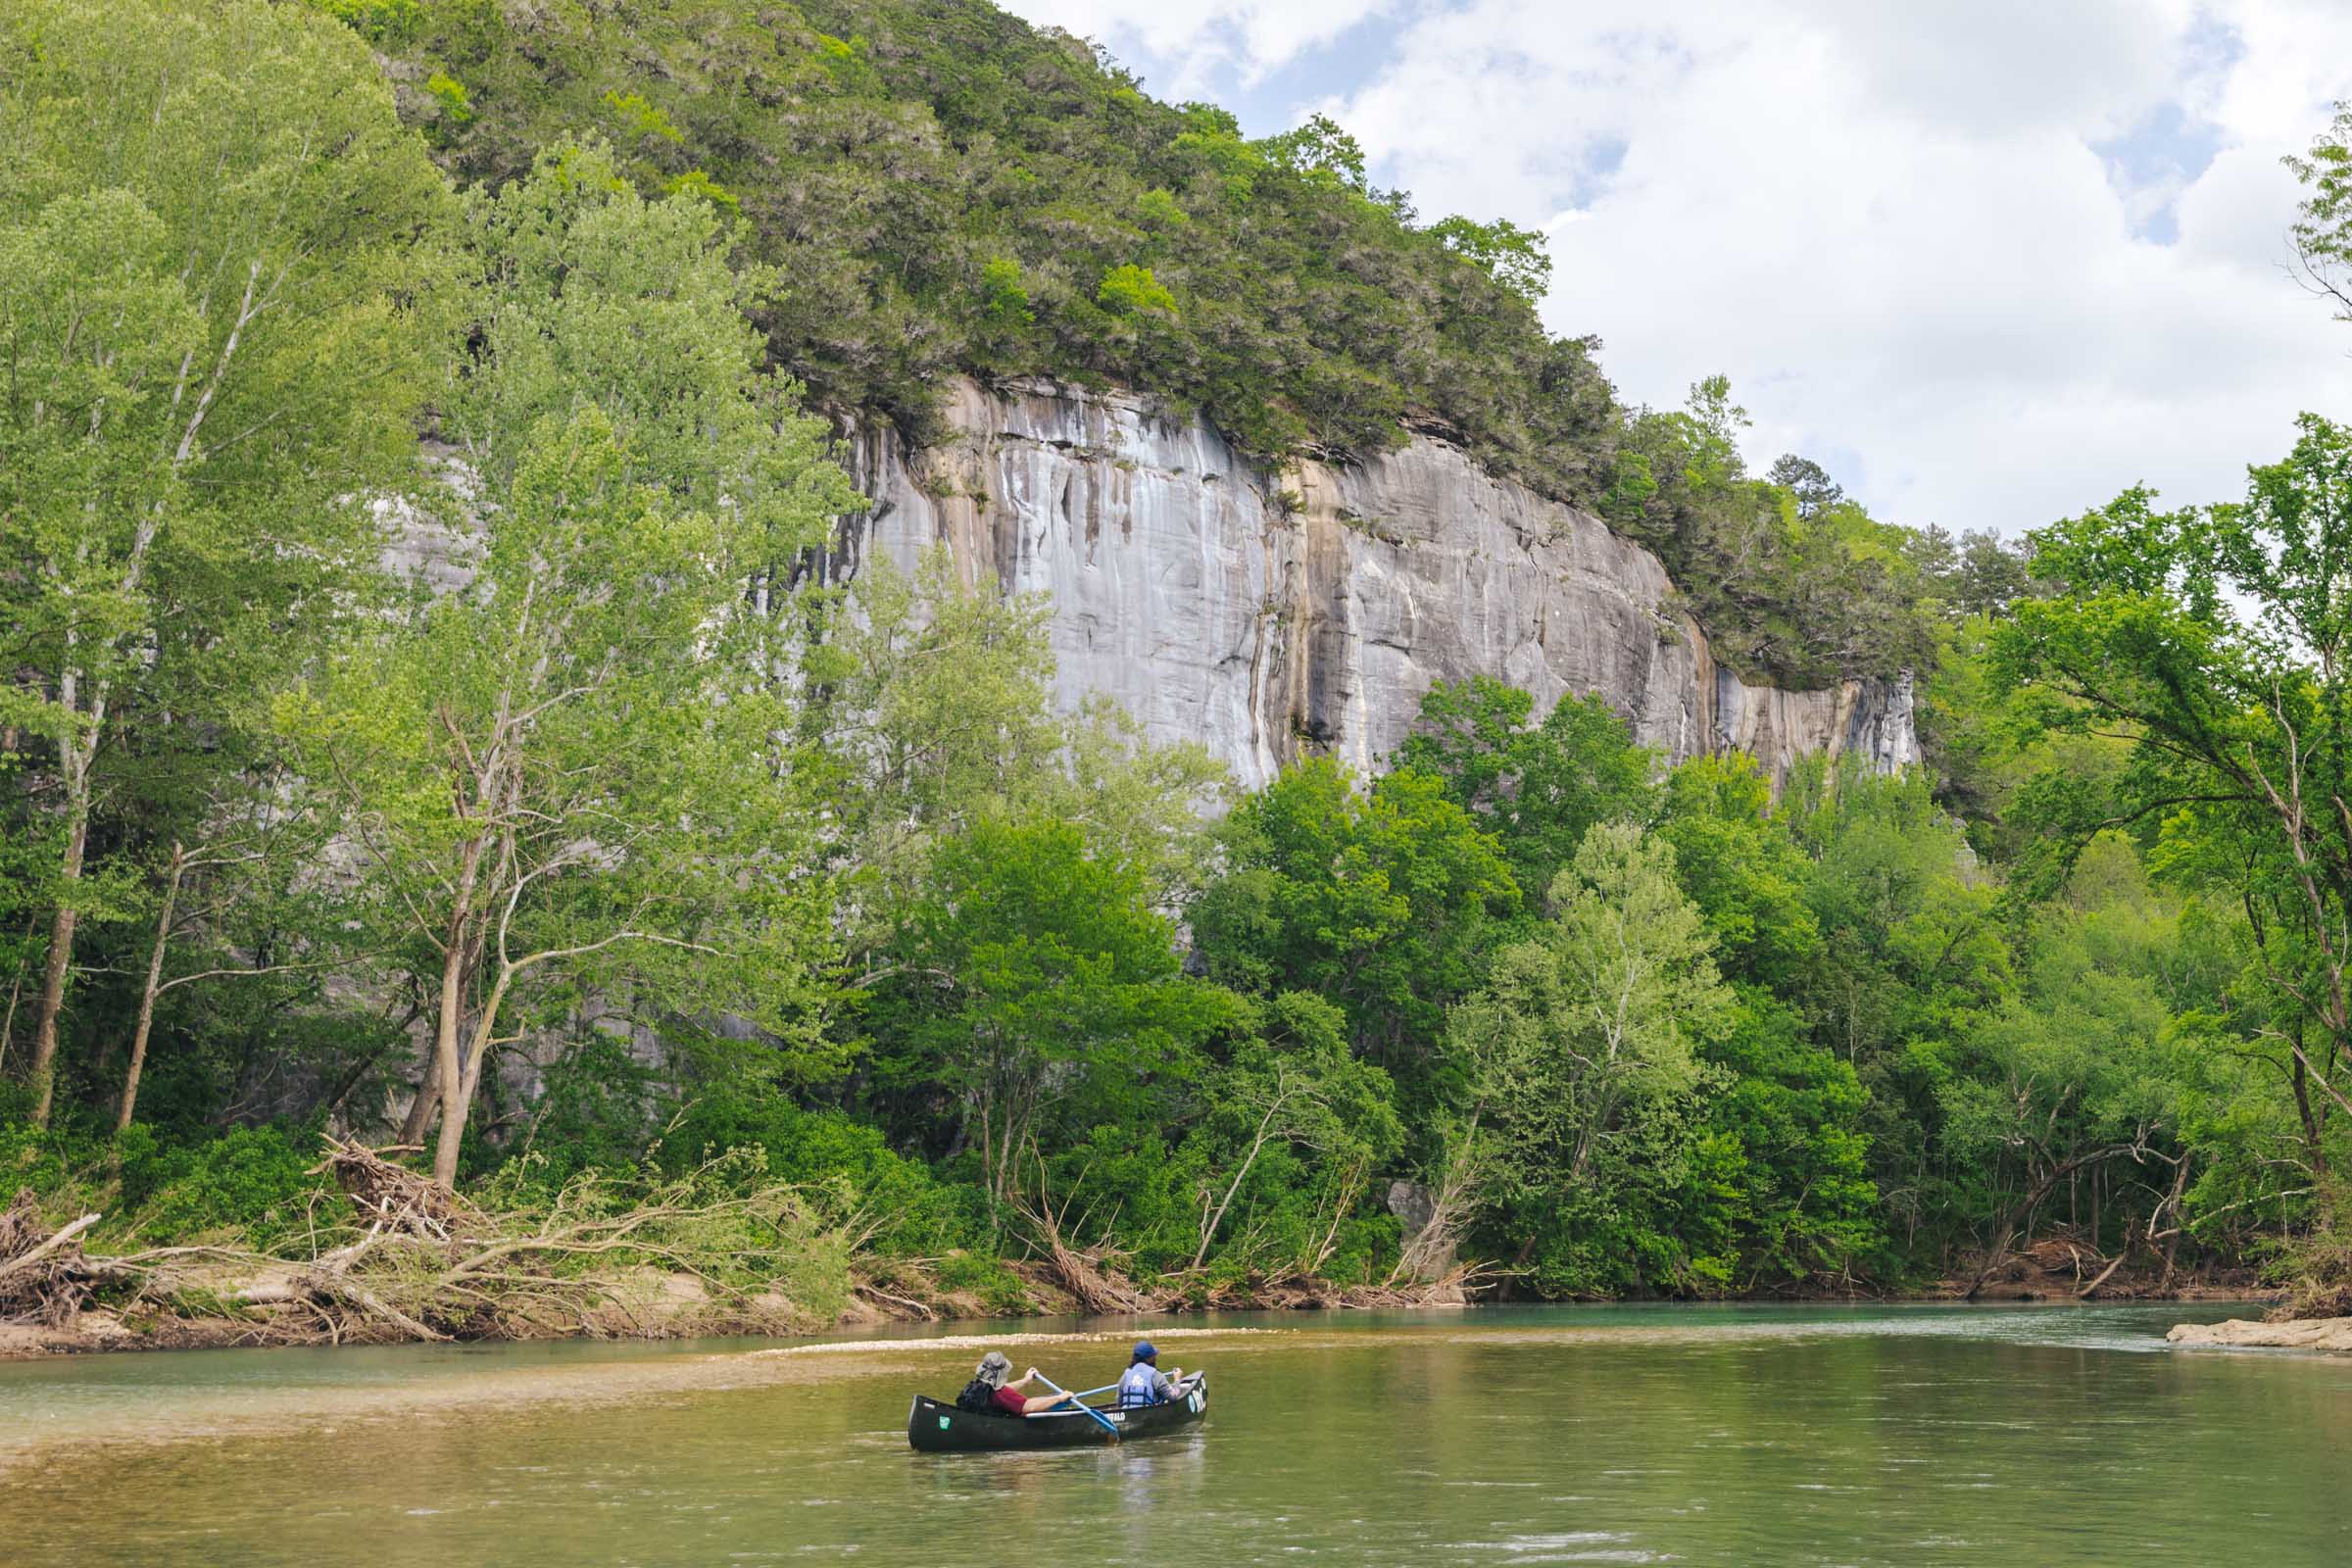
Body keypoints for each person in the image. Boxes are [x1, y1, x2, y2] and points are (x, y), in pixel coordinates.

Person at [956, 1350, 1071, 1418]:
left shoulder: (976, 1386)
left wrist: (1025, 1381)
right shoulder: (1001, 1393)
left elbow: (1004, 1390)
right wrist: (1059, 1398)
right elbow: (1029, 1406)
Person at [1114, 1341, 1188, 1408]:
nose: (1155, 1357)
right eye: (1154, 1355)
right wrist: (1177, 1379)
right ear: (1149, 1359)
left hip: (1128, 1417)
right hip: (1148, 1416)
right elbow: (1173, 1397)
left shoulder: (1125, 1375)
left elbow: (1119, 1403)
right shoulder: (1156, 1375)